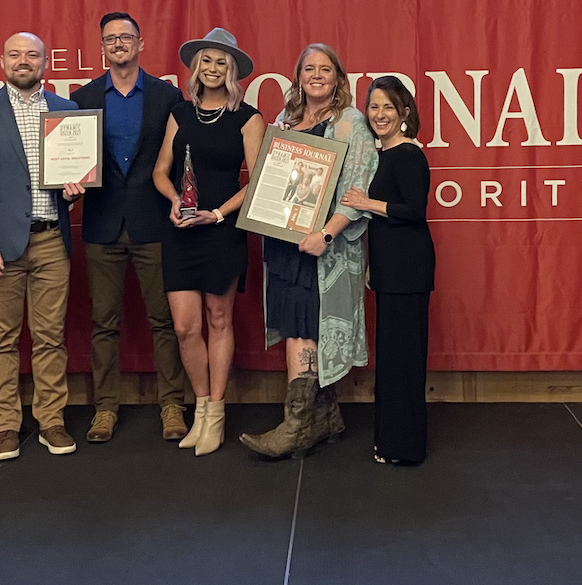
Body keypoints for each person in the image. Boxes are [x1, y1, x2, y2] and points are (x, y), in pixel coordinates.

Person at [240, 43, 378, 460]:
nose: (316, 75)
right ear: (298, 77)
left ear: (338, 78)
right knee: (295, 324)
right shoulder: (285, 122)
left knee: (307, 326)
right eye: (309, 69)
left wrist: (327, 235)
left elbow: (358, 188)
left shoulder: (351, 123)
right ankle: (327, 417)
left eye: (325, 69)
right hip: (285, 245)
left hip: (322, 249)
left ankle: (297, 425)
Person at [0, 32, 79, 461]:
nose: (23, 60)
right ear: (2, 61)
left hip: (51, 240)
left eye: (32, 54)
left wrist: (73, 191)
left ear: (46, 62)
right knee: (1, 338)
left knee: (50, 337)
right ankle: (6, 423)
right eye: (14, 54)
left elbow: (74, 174)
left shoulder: (66, 110)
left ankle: (51, 420)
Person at [66, 12, 188, 443]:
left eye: (126, 37)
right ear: (101, 47)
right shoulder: (80, 99)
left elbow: (180, 161)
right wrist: (67, 185)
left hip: (154, 221)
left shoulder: (167, 96)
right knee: (104, 323)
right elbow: (70, 160)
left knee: (165, 321)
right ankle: (105, 408)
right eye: (110, 38)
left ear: (141, 43)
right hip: (101, 223)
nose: (118, 43)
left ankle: (172, 405)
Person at [151, 28, 265, 456]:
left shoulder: (248, 118)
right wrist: (173, 200)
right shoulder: (180, 113)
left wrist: (217, 214)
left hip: (222, 229)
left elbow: (258, 180)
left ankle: (216, 413)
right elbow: (160, 169)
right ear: (196, 68)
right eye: (206, 61)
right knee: (185, 327)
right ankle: (199, 407)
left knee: (219, 319)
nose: (213, 69)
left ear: (231, 71)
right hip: (181, 229)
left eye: (221, 62)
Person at [341, 76, 435, 465]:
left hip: (409, 270)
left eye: (388, 108)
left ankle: (405, 448)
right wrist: (372, 264)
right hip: (389, 268)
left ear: (404, 113)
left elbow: (414, 211)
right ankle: (391, 442)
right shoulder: (383, 154)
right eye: (374, 107)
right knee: (393, 359)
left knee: (404, 361)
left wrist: (367, 202)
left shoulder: (409, 154)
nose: (379, 115)